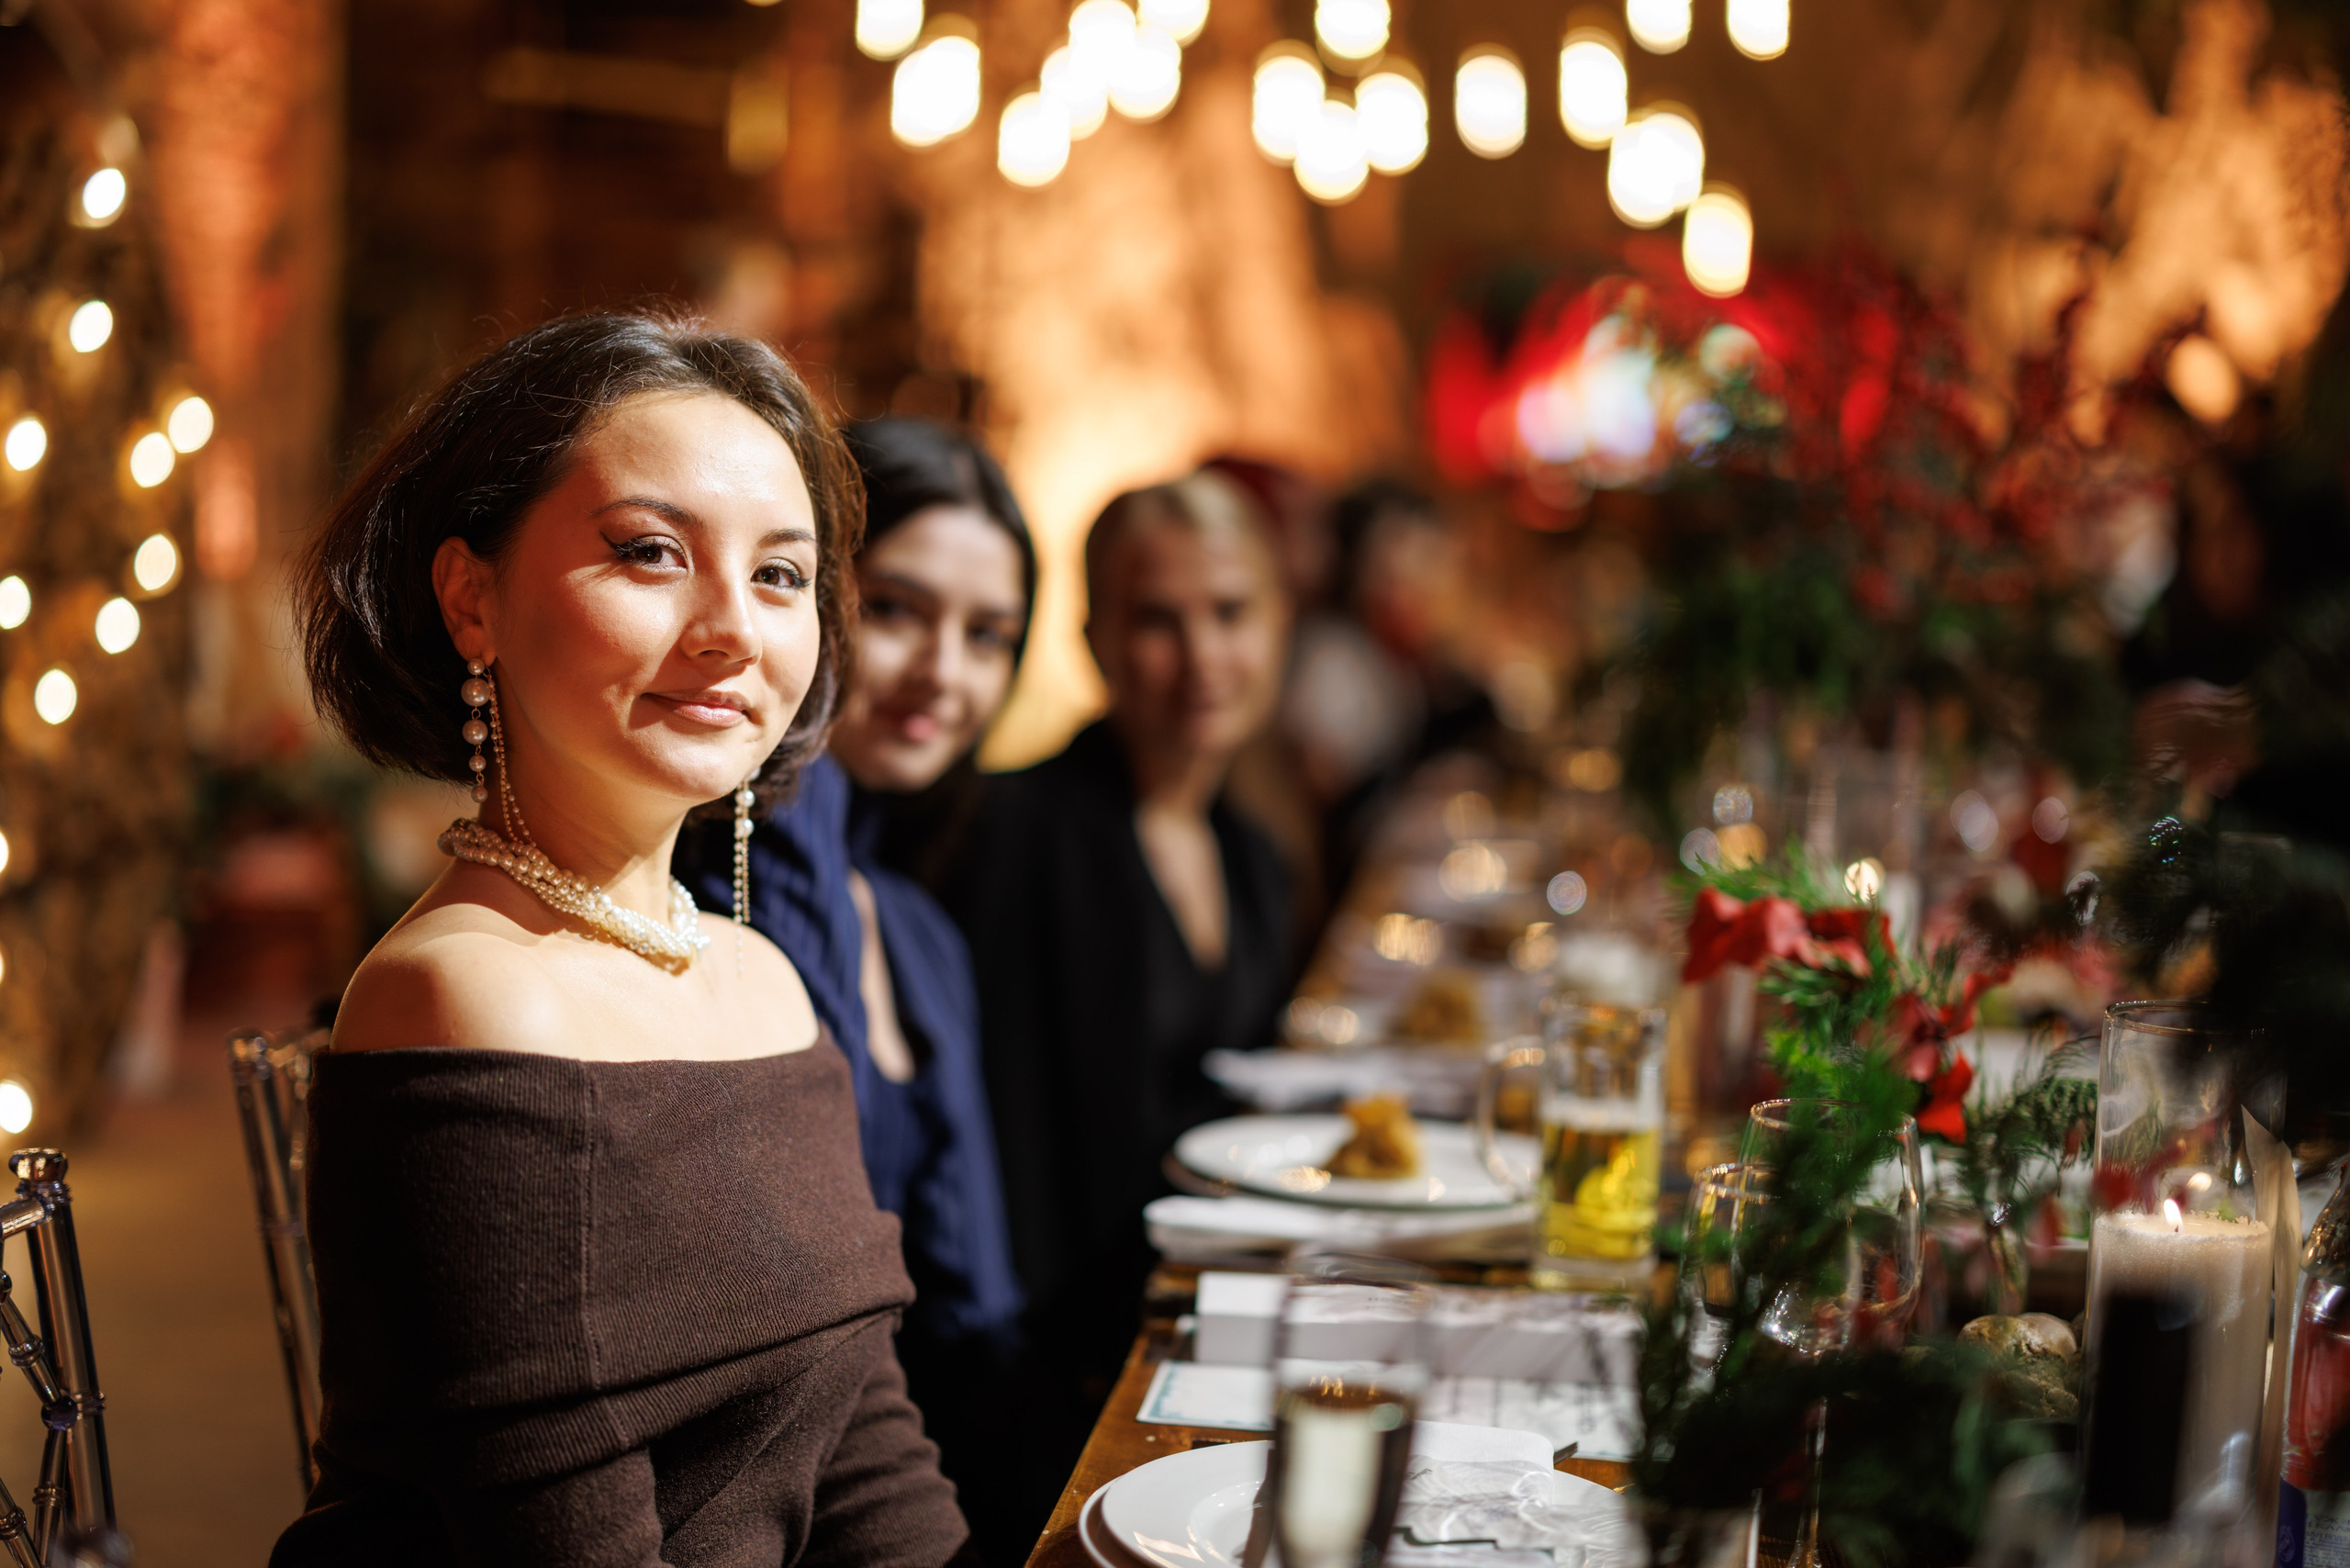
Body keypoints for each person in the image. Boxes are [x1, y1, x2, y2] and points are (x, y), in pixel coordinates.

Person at [275, 311, 969, 1568]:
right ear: (470, 598)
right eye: (650, 553)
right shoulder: (467, 994)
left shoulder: (756, 976)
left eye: (780, 574)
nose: (732, 631)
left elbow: (871, 1455)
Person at [676, 416, 1031, 1563]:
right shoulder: (721, 876)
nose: (945, 671)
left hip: (929, 1472)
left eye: (989, 635)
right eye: (897, 610)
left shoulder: (912, 921)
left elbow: (978, 1317)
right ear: (811, 599)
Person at [952, 469, 1295, 1500]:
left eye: (1230, 613)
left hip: (1207, 1333)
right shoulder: (1012, 836)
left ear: (1277, 625)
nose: (1201, 658)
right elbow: (1002, 1189)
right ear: (1094, 642)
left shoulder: (1252, 854)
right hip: (1067, 1385)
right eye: (1158, 620)